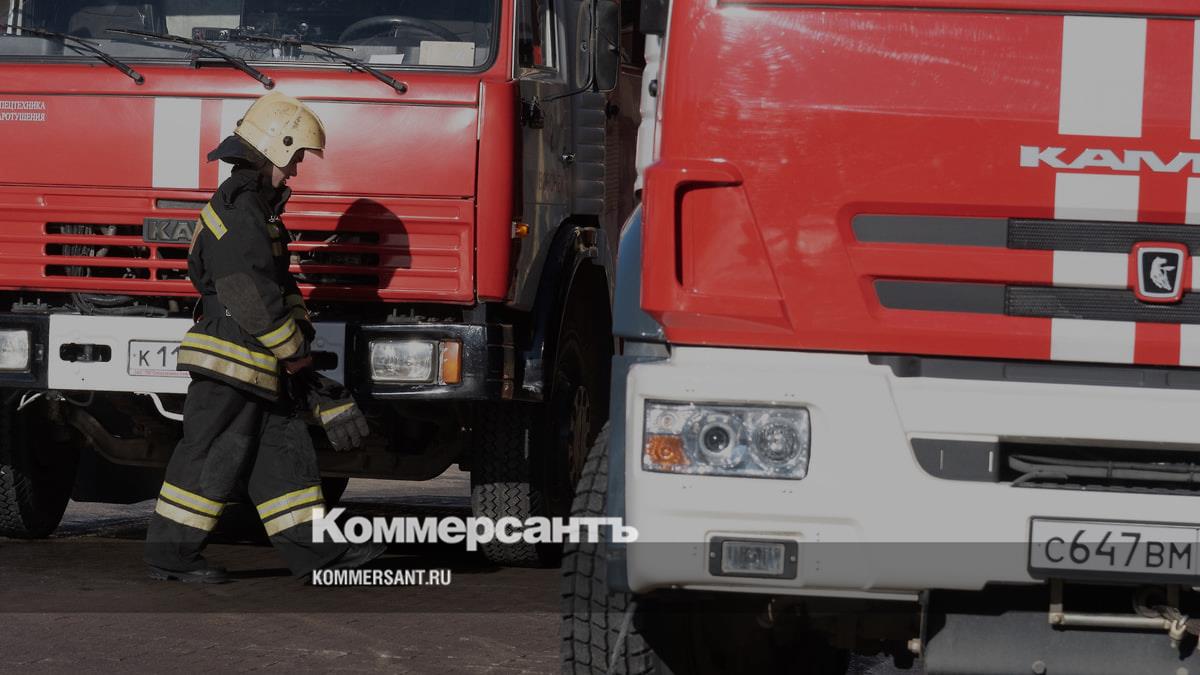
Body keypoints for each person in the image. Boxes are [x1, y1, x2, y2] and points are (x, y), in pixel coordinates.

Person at [144, 91, 382, 583]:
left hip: (256, 359)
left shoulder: (256, 209)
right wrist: (296, 357)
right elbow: (248, 294)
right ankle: (171, 554)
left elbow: (276, 288)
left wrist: (300, 356)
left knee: (282, 457)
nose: (295, 170)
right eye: (295, 158)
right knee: (211, 455)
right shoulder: (241, 211)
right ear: (275, 147)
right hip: (233, 360)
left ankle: (317, 554)